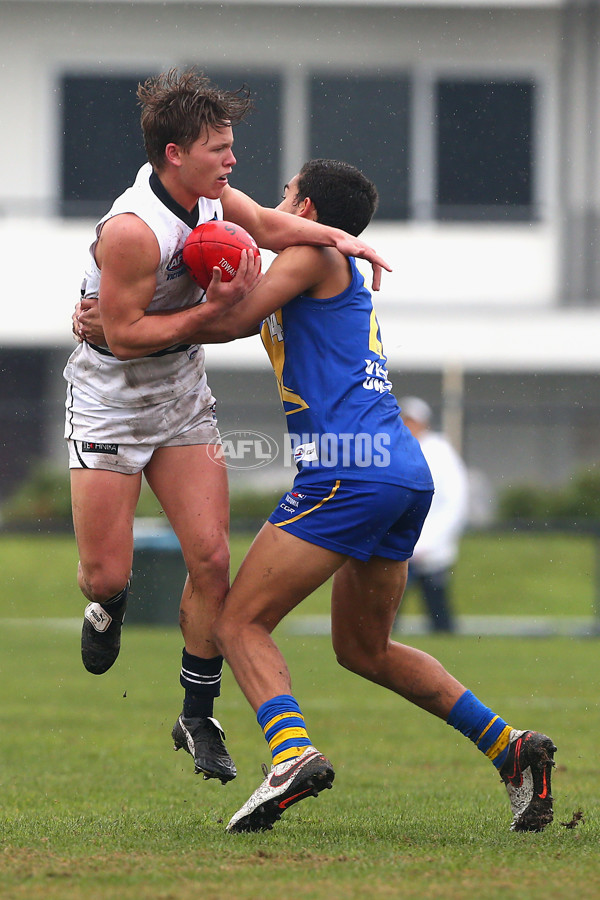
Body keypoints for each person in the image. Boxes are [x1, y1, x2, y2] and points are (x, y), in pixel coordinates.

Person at [170, 158, 556, 834]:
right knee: (363, 649)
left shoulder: (312, 255)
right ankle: (510, 748)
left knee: (237, 622)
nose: (277, 204)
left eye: (287, 193)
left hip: (349, 471)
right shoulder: (314, 263)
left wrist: (124, 328)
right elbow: (241, 283)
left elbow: (230, 321)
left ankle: (290, 755)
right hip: (397, 471)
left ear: (307, 209)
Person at [64, 70, 390, 789]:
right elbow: (123, 336)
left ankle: (197, 714)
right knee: (105, 572)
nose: (233, 159)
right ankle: (107, 605)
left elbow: (272, 226)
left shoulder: (213, 196)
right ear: (175, 154)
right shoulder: (133, 230)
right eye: (219, 148)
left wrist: (341, 239)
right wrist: (214, 313)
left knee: (212, 560)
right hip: (110, 401)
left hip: (181, 396)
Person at [396, 396, 469, 633]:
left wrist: (430, 541)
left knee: (437, 605)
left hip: (432, 546)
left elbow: (454, 500)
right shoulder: (394, 448)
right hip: (400, 542)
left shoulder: (440, 452)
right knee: (389, 606)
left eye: (412, 421)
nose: (408, 426)